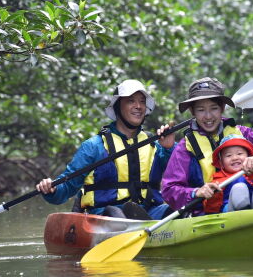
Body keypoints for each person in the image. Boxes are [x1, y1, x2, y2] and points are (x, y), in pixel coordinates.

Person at [36, 79, 175, 220]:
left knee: (176, 210)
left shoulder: (156, 145)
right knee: (114, 213)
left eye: (142, 101)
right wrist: (52, 189)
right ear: (117, 107)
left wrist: (170, 148)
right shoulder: (93, 147)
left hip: (149, 214)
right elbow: (66, 188)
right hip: (105, 217)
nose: (138, 106)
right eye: (131, 101)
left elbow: (181, 175)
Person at [161, 77, 253, 215]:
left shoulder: (241, 133)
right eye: (201, 110)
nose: (208, 116)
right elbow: (169, 190)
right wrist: (196, 192)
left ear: (222, 108)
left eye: (214, 108)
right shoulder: (185, 147)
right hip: (207, 212)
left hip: (252, 200)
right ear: (192, 112)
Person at [202, 134, 253, 213]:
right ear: (221, 162)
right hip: (231, 214)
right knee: (239, 187)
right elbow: (210, 209)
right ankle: (243, 212)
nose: (234, 158)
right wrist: (214, 195)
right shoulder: (217, 180)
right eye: (228, 155)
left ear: (248, 157)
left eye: (239, 154)